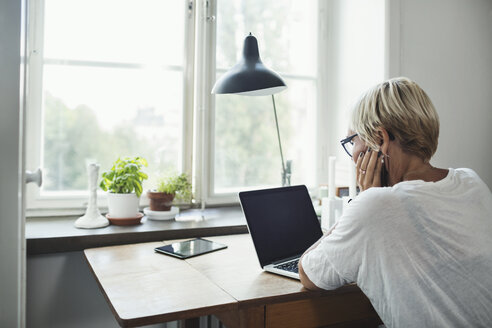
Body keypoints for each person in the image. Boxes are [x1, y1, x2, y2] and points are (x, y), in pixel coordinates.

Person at [299, 77, 492, 327]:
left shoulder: (375, 206)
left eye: (351, 141)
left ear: (380, 139)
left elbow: (309, 274)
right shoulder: (470, 181)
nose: (352, 155)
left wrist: (365, 198)